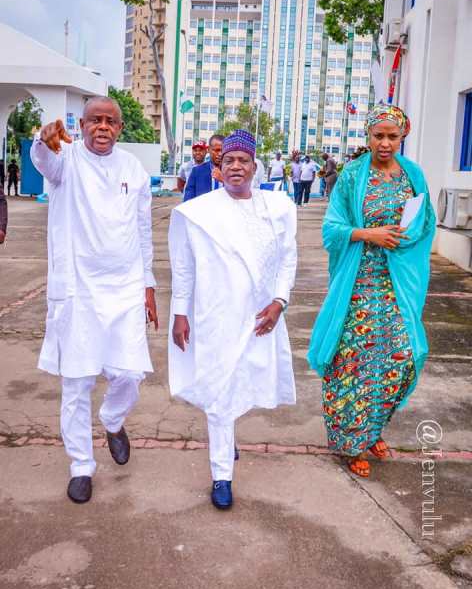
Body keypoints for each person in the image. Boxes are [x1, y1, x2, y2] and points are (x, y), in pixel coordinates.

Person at [30, 96, 158, 504]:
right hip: (79, 290)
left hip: (124, 288)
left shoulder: (132, 169)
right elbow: (42, 161)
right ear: (81, 124)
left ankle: (113, 420)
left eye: (111, 121)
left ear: (120, 129)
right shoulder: (64, 159)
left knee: (130, 375)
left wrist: (149, 286)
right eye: (95, 120)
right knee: (77, 381)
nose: (102, 127)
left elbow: (142, 231)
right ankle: (81, 465)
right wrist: (42, 140)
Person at [168, 129, 297, 510]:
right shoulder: (198, 212)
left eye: (243, 160)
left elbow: (288, 258)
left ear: (255, 166)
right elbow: (184, 268)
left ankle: (226, 437)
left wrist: (280, 301)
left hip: (259, 316)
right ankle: (221, 475)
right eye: (228, 162)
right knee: (220, 394)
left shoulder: (278, 208)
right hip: (215, 314)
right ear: (218, 169)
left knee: (248, 386)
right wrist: (180, 313)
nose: (236, 166)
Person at [307, 104, 436, 479]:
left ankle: (374, 427)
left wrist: (405, 235)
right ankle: (350, 441)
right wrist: (368, 234)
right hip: (359, 282)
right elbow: (332, 228)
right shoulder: (351, 176)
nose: (384, 143)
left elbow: (425, 221)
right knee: (354, 361)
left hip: (398, 282)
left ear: (402, 138)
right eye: (378, 136)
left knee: (401, 357)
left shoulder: (413, 174)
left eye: (391, 137)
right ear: (368, 137)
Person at [184, 135, 224, 202]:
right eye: (216, 150)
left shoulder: (232, 172)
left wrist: (224, 180)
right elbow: (188, 201)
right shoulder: (196, 172)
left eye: (222, 150)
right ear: (208, 150)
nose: (220, 154)